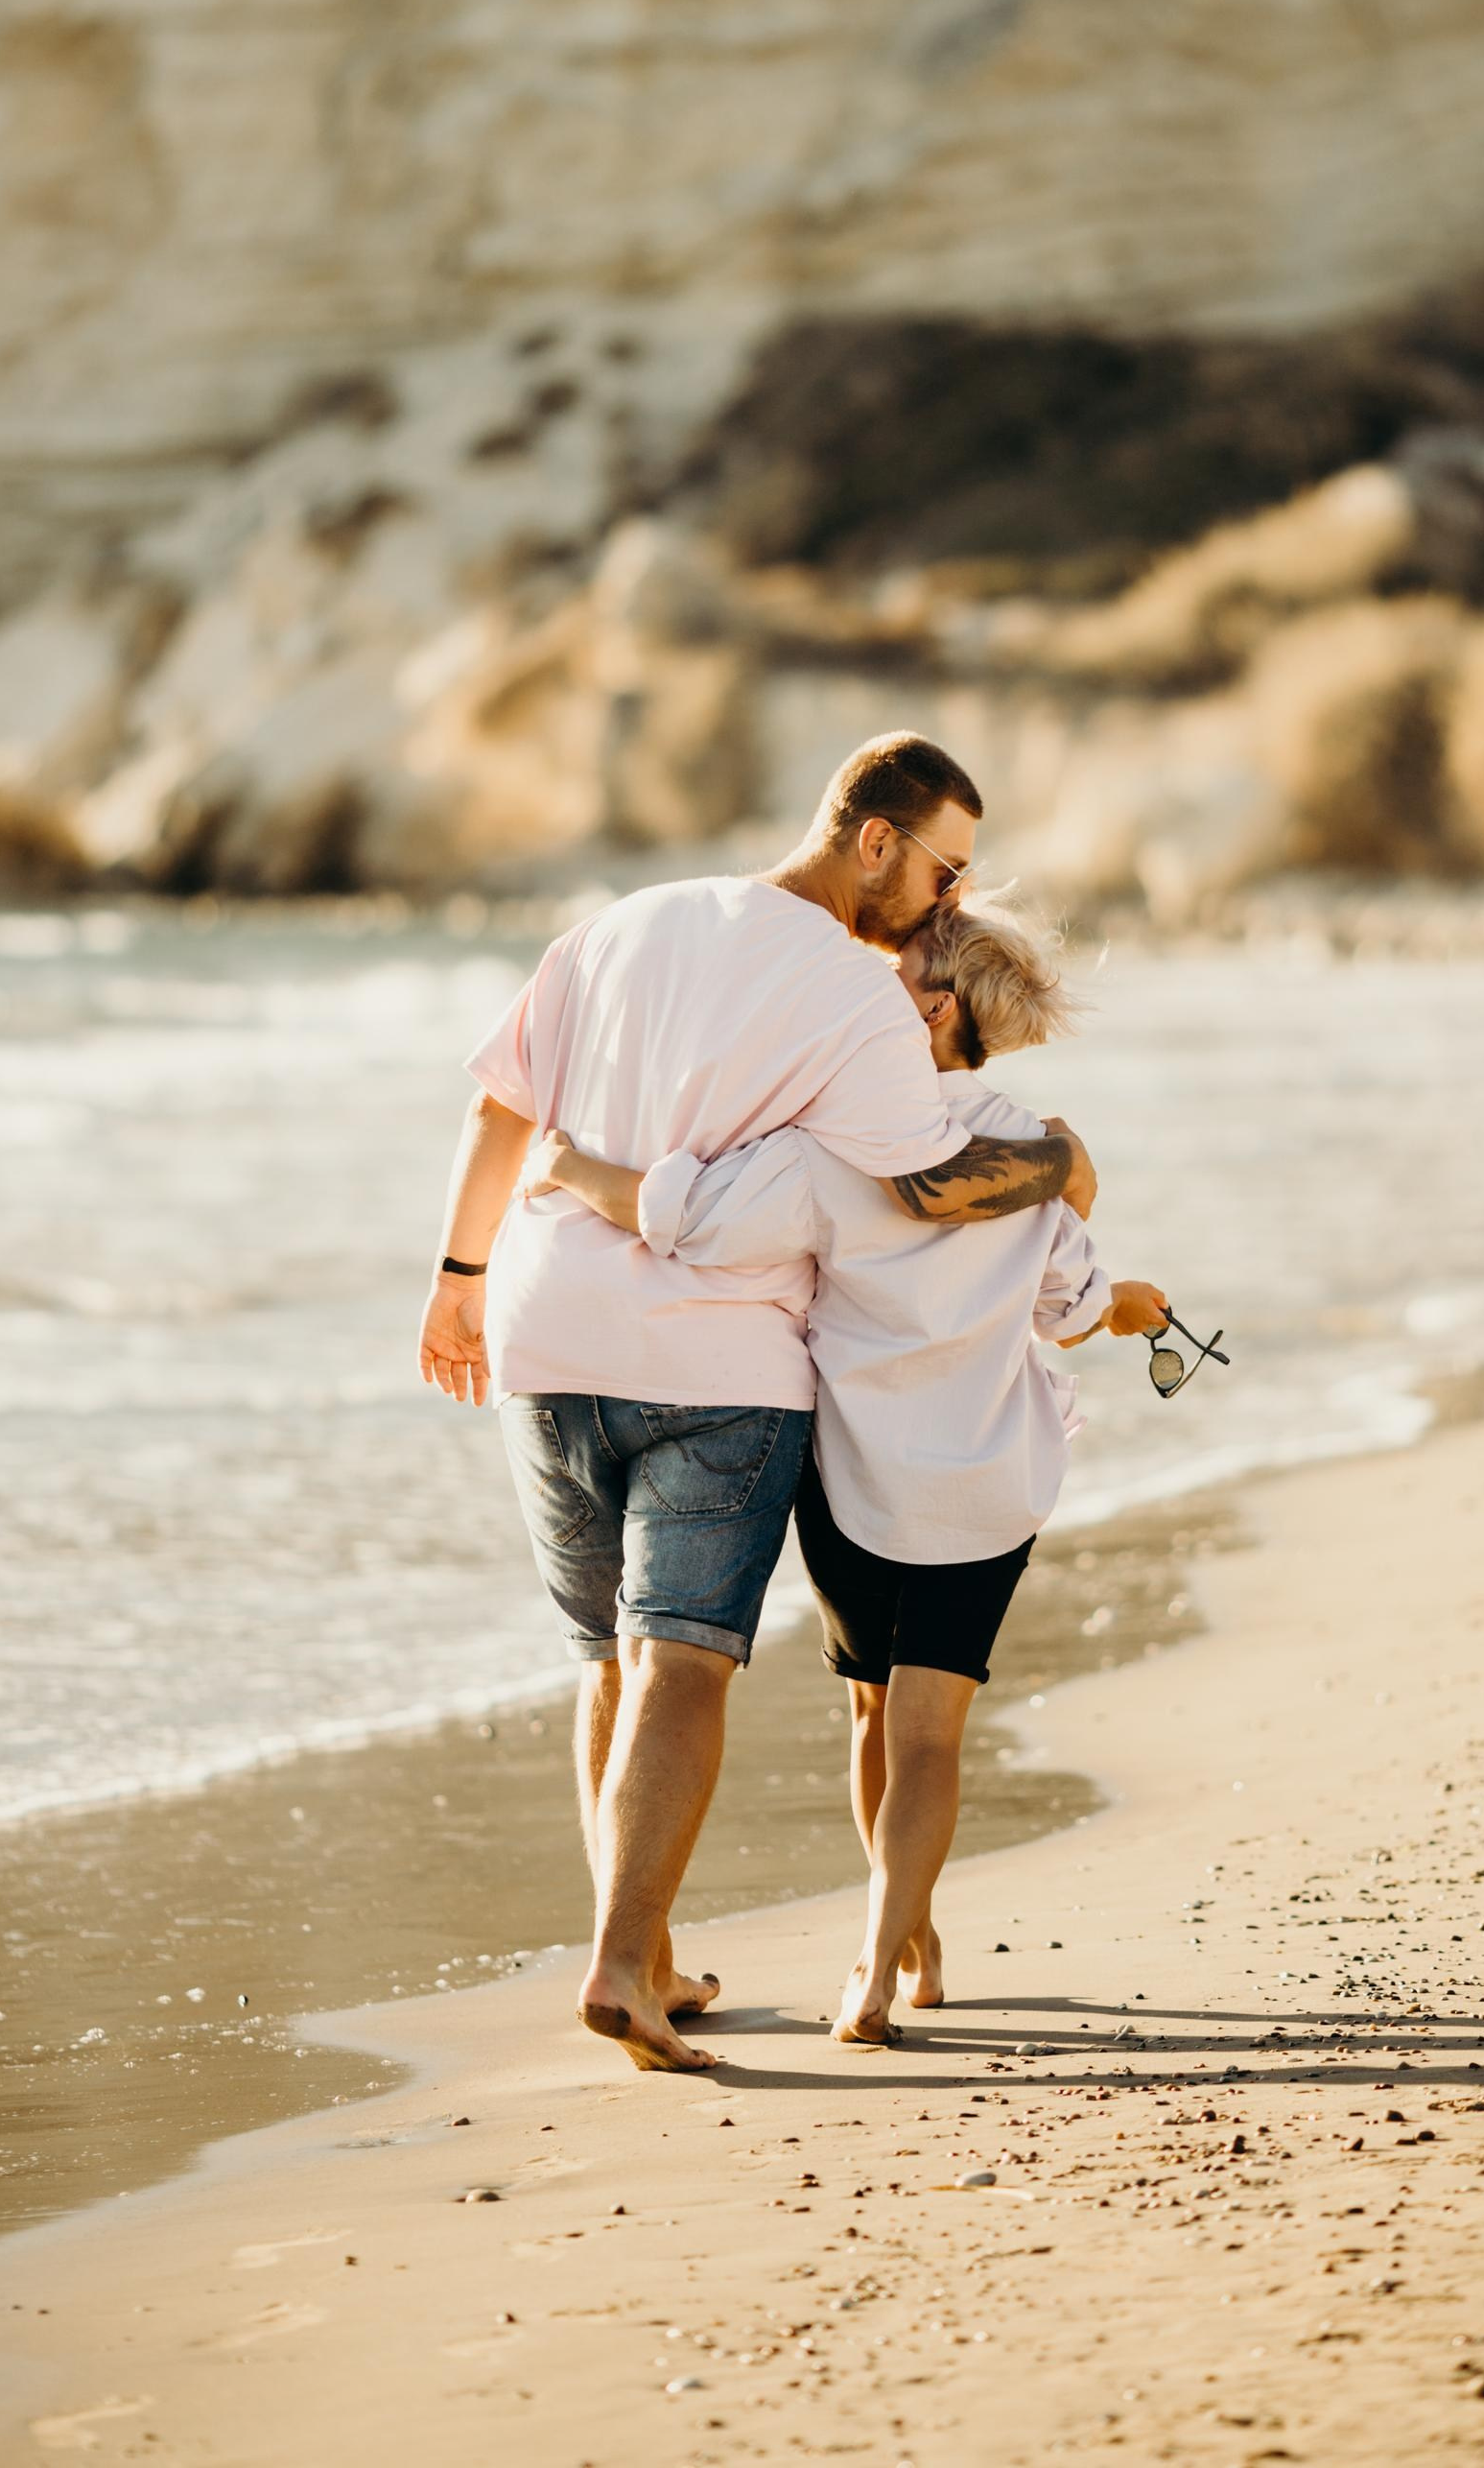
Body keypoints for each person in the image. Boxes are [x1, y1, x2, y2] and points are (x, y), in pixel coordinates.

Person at [416, 733, 1097, 2073]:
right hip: (717, 1366)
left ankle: (647, 1953)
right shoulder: (857, 1002)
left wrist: (456, 1280)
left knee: (604, 1658)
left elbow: (501, 1107)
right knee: (679, 1658)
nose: (953, 899)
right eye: (945, 872)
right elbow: (924, 1186)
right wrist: (1062, 1164)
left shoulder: (625, 921)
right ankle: (624, 1965)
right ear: (876, 841)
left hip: (545, 1336)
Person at [533, 890, 1170, 2048]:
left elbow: (687, 1215)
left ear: (931, 1009)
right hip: (984, 1490)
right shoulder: (1027, 1155)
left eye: (886, 976)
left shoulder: (830, 1146)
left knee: (872, 1718)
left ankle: (898, 1938)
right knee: (932, 1735)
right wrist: (1129, 1302)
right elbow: (1072, 1309)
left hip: (852, 1488)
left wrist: (572, 1166)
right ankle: (884, 1960)